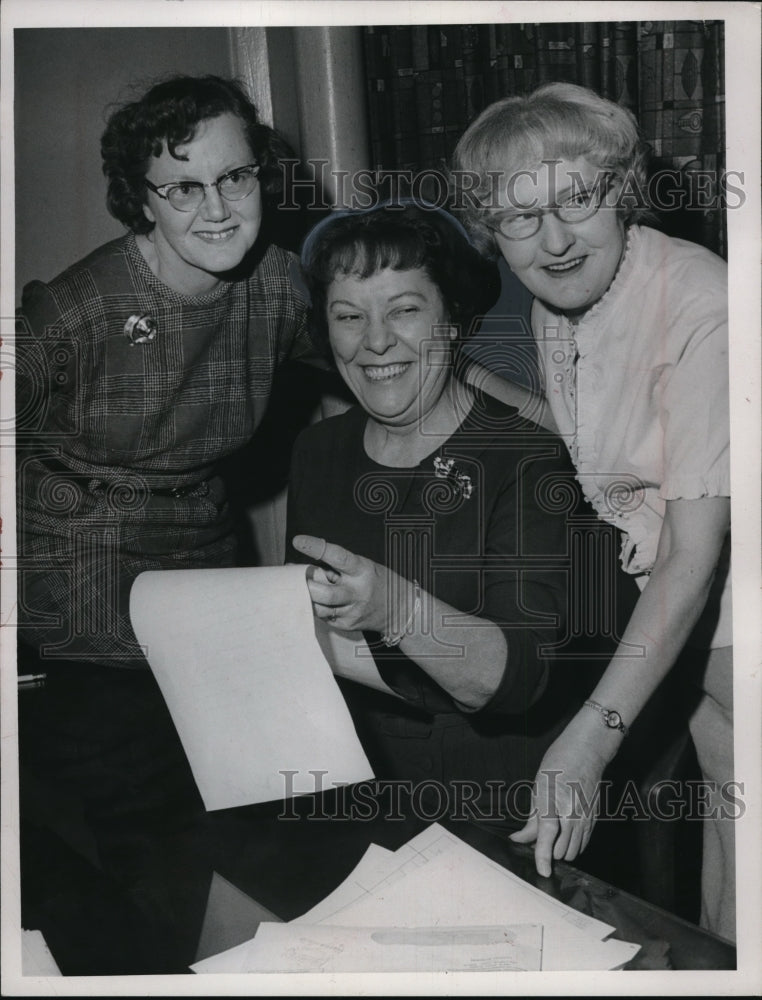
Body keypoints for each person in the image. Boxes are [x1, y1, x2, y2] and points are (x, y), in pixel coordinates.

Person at [15, 75, 324, 972]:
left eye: (236, 178)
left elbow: (371, 352)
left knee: (276, 805)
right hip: (81, 565)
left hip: (204, 558)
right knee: (155, 837)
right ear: (140, 199)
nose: (218, 207)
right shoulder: (81, 306)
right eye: (183, 186)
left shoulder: (276, 284)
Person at [452, 82, 733, 939]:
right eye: (519, 218)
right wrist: (470, 384)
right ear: (491, 232)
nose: (554, 238)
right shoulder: (558, 299)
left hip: (725, 606)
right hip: (692, 638)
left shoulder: (701, 302)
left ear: (622, 191)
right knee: (730, 872)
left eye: (578, 199)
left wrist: (592, 738)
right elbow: (610, 449)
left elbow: (694, 551)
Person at [287, 201, 586, 822]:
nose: (375, 341)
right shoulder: (318, 450)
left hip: (492, 787)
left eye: (404, 310)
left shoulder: (526, 458)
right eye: (348, 316)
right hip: (350, 771)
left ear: (451, 318)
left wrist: (395, 608)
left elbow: (516, 680)